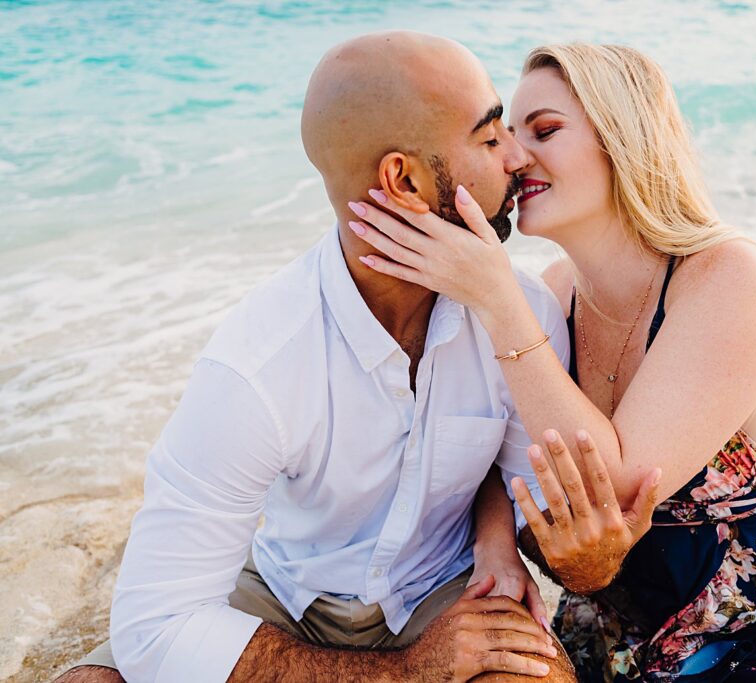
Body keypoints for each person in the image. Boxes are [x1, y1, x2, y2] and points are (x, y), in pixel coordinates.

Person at [347, 43, 756, 682]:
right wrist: (496, 540)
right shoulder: (549, 297)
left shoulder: (728, 277)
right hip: (611, 628)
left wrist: (493, 296)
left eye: (545, 131)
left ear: (623, 138)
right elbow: (484, 446)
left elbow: (625, 481)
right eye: (507, 137)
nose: (515, 158)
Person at [55, 32, 583, 683]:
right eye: (489, 135)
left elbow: (526, 479)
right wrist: (407, 672)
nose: (516, 156)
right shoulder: (259, 363)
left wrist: (499, 538)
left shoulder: (521, 316)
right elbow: (155, 625)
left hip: (442, 595)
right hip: (283, 593)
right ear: (405, 180)